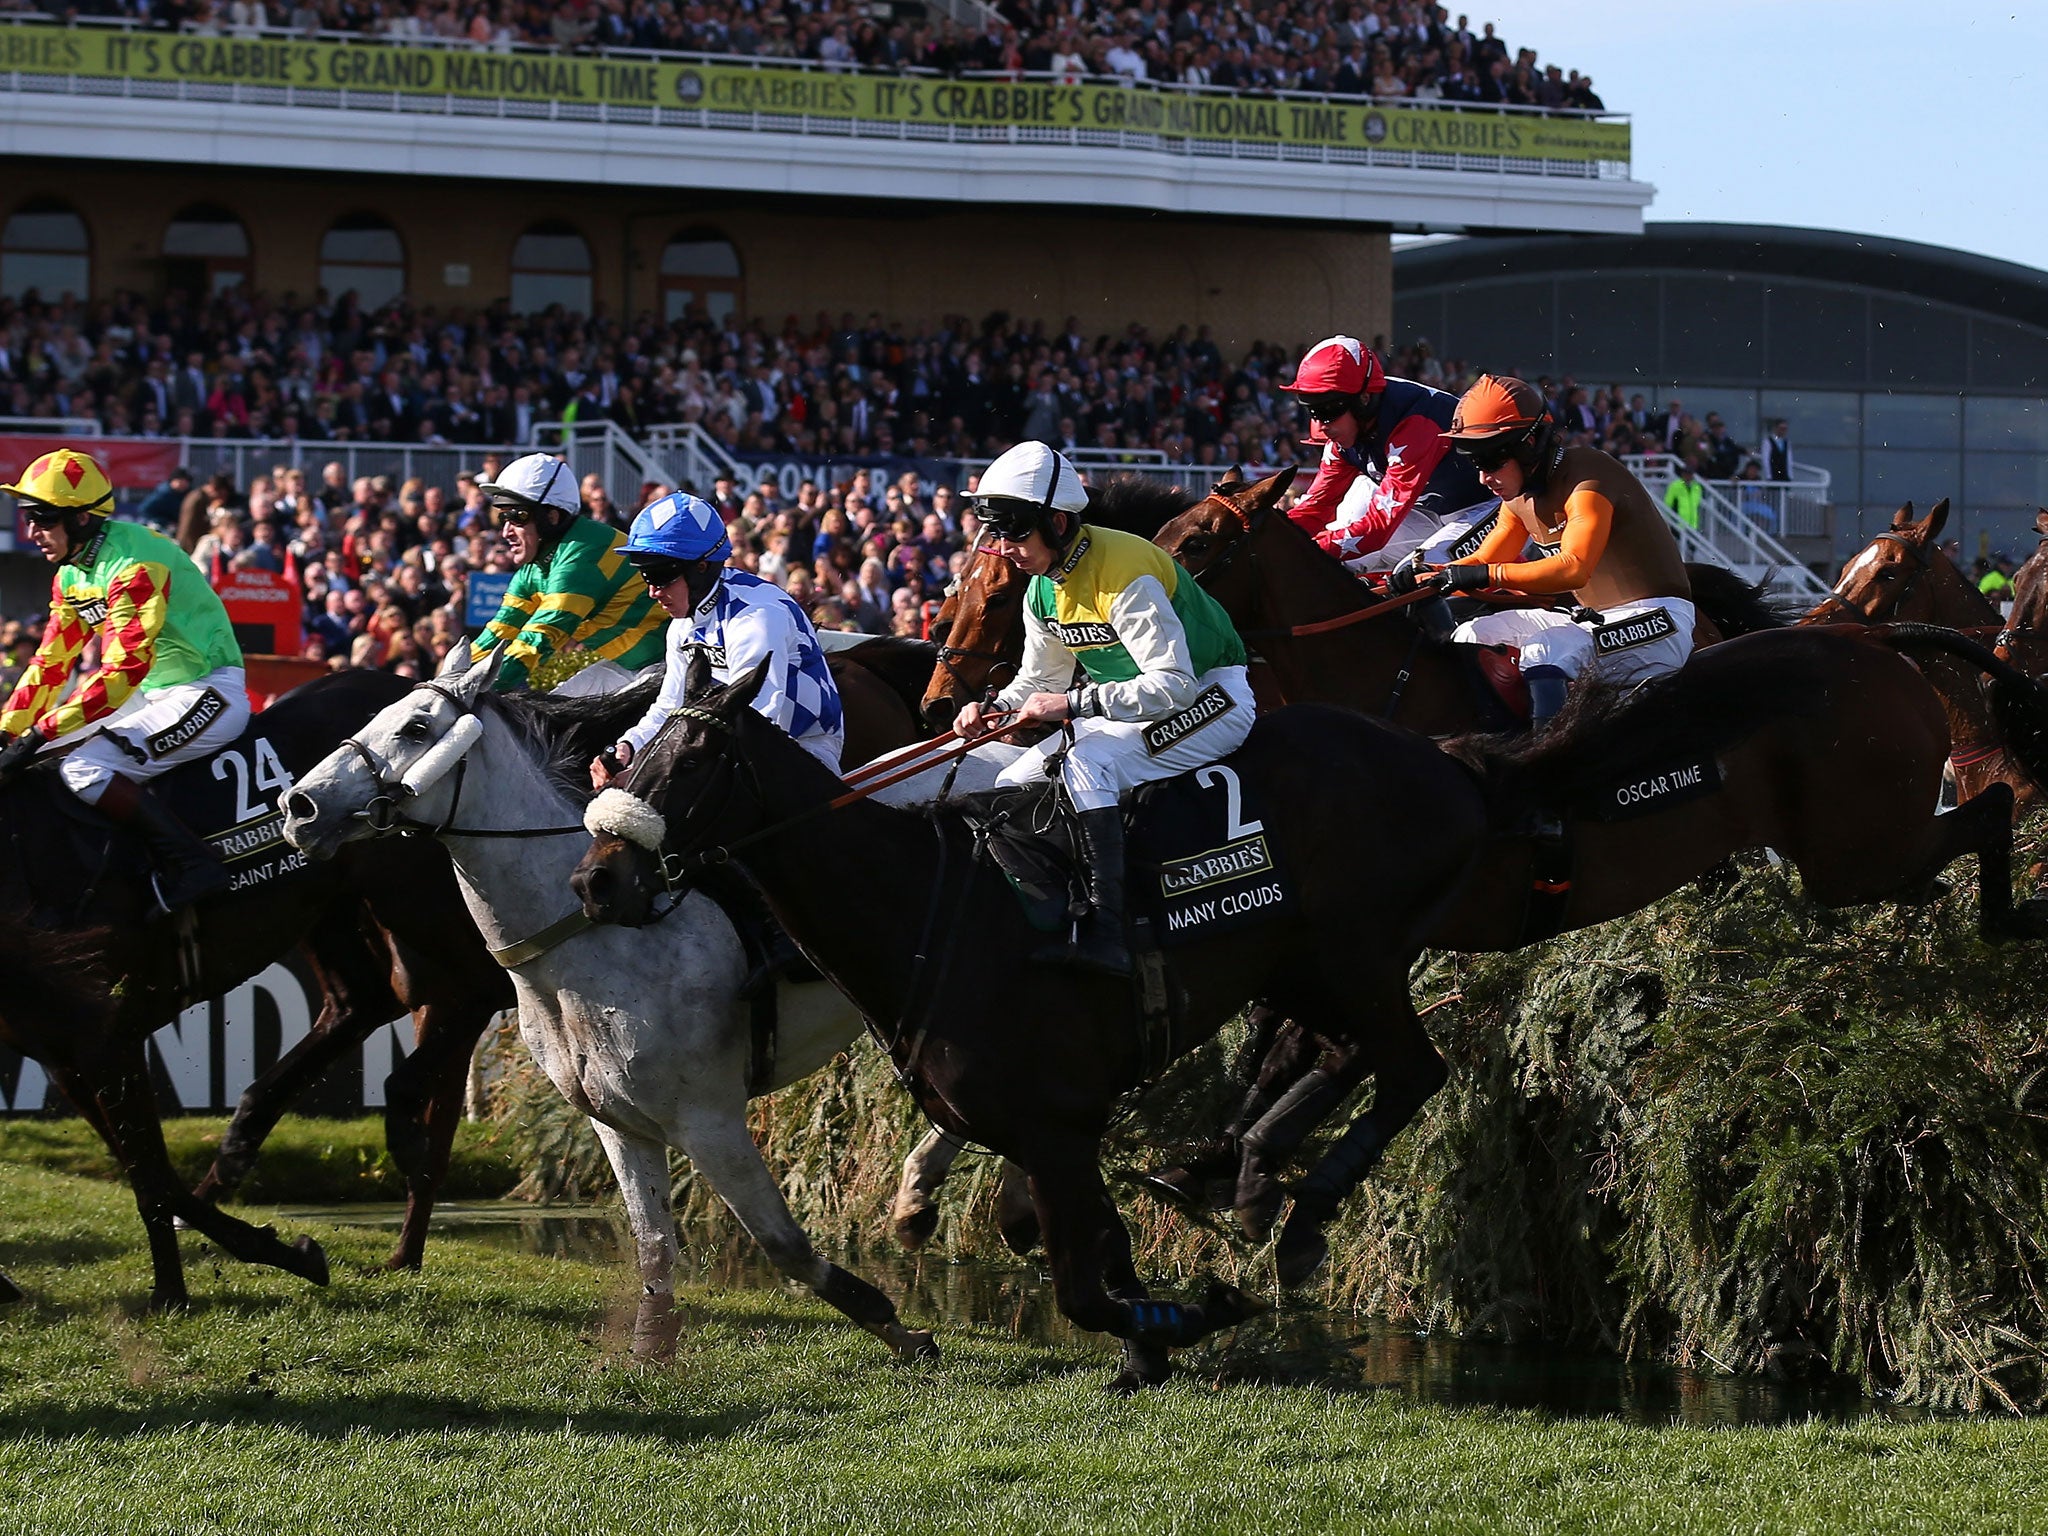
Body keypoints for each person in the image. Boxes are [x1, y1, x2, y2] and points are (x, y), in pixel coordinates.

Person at [954, 442, 1253, 976]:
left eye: (1015, 532)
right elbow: (1039, 679)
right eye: (996, 533)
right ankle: (1057, 912)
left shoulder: (1124, 571)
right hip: (1136, 706)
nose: (1004, 548)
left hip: (1214, 696)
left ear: (1060, 523)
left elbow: (1175, 687)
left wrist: (1073, 702)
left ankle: (1109, 932)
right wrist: (993, 708)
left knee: (1085, 763)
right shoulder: (1043, 588)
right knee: (1015, 779)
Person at [0, 449, 247, 910]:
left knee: (82, 767)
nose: (31, 531)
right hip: (151, 696)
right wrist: (7, 732)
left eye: (42, 517)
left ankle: (196, 864)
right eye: (27, 517)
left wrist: (39, 731)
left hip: (208, 690)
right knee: (34, 763)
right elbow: (50, 665)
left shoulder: (136, 562)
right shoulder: (71, 574)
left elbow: (121, 672)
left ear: (81, 518)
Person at [1407, 375, 1695, 730]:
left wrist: (1486, 574)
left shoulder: (1589, 476)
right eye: (1475, 463)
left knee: (1548, 648)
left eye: (1490, 461)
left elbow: (1573, 568)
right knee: (1471, 635)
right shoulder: (1517, 497)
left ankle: (1548, 766)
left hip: (1660, 621)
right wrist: (1425, 576)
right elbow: (1483, 561)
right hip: (1591, 618)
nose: (1483, 478)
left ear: (1528, 445)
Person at [595, 490, 844, 785]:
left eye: (660, 575)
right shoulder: (683, 624)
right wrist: (628, 747)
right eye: (645, 576)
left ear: (701, 568)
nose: (652, 591)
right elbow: (669, 707)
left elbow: (757, 725)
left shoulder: (757, 620)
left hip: (803, 748)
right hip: (734, 743)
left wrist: (652, 773)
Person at [1278, 335, 1495, 574]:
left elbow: (1377, 530)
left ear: (1364, 399)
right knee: (1339, 553)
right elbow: (1316, 507)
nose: (1321, 425)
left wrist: (1297, 550)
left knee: (1415, 573)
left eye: (1327, 409)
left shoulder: (1416, 424)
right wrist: (1260, 534)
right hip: (1429, 512)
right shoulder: (1345, 429)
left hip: (1487, 509)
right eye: (1311, 410)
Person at [467, 453, 666, 691]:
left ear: (551, 517)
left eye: (517, 517)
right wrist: (444, 682)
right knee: (550, 722)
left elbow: (539, 638)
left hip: (673, 661)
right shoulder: (533, 568)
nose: (506, 532)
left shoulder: (583, 552)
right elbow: (499, 632)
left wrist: (468, 689)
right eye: (502, 517)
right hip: (633, 665)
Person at [1662, 461, 1703, 531]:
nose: (1688, 476)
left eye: (1690, 474)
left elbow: (1697, 505)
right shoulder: (1675, 486)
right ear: (1682, 474)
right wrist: (1668, 521)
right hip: (1678, 525)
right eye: (1686, 473)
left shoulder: (1697, 487)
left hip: (1692, 526)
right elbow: (1668, 503)